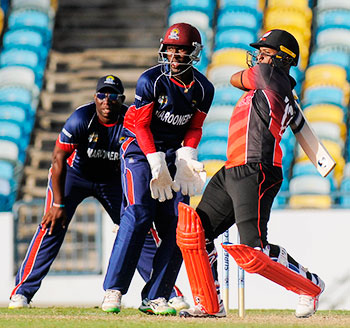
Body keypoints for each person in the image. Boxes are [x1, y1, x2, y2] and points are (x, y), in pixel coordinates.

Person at [177, 29, 325, 318]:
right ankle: (210, 304)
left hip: (257, 167)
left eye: (265, 53)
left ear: (282, 59)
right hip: (232, 168)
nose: (258, 57)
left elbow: (234, 78)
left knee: (253, 250)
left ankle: (310, 285)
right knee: (196, 233)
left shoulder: (272, 77)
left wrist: (258, 73)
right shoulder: (268, 85)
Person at [8, 75, 189, 311]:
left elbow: (142, 154)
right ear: (95, 97)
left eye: (113, 96)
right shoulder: (82, 117)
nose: (107, 101)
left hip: (112, 181)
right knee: (51, 226)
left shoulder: (129, 119)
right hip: (74, 176)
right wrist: (58, 204)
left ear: (122, 100)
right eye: (102, 95)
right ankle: (21, 292)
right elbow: (58, 158)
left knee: (138, 226)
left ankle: (165, 293)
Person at [101, 22, 214, 316]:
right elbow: (139, 124)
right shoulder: (150, 80)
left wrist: (187, 157)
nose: (175, 56)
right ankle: (114, 289)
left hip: (173, 152)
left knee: (179, 227)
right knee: (139, 213)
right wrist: (155, 161)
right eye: (171, 49)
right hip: (139, 149)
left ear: (194, 52)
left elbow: (195, 126)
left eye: (181, 50)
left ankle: (156, 295)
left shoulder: (204, 88)